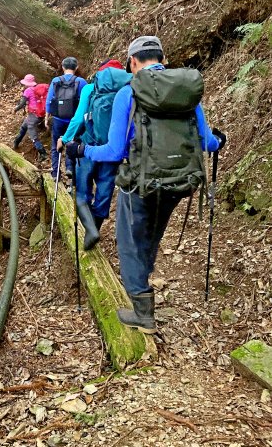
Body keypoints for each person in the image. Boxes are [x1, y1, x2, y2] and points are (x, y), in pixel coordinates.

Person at [66, 36, 226, 334]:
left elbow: (114, 152)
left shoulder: (129, 93)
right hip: (181, 181)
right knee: (151, 232)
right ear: (162, 57)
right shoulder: (184, 90)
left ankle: (143, 311)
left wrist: (81, 150)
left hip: (140, 182)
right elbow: (207, 140)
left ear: (133, 62)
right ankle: (144, 286)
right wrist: (220, 140)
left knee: (128, 241)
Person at [57, 59, 133, 250]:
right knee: (104, 194)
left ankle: (90, 231)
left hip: (87, 148)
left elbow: (78, 118)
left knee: (82, 193)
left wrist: (65, 139)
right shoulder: (127, 91)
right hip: (111, 153)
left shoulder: (91, 89)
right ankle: (93, 233)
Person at [45, 57, 87, 179]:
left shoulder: (55, 80)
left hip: (58, 119)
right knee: (71, 143)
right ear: (76, 67)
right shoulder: (81, 82)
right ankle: (69, 168)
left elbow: (49, 100)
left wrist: (47, 117)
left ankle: (55, 173)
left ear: (63, 67)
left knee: (55, 146)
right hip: (74, 121)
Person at [13, 74, 48, 162]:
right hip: (40, 114)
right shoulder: (39, 89)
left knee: (33, 136)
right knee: (24, 127)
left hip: (34, 115)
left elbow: (22, 104)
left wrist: (15, 110)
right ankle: (16, 143)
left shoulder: (28, 90)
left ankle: (43, 153)